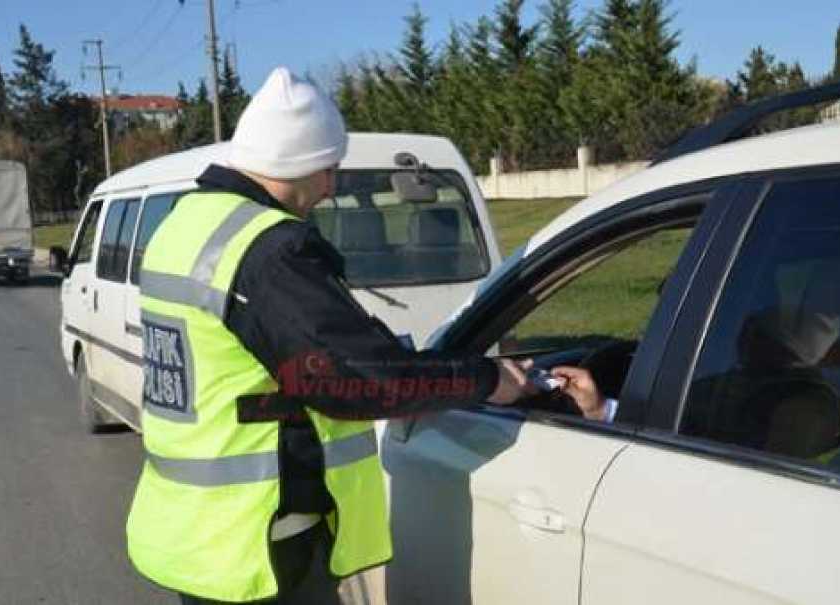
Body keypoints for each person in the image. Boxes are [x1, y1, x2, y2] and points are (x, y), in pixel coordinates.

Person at [125, 67, 535, 604]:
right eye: (328, 168)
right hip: (262, 542)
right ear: (296, 163)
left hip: (196, 529)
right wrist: (488, 379)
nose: (331, 185)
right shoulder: (268, 252)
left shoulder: (187, 223)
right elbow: (354, 379)